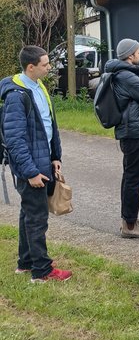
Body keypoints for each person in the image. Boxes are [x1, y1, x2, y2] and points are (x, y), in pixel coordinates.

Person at [0, 46, 71, 282]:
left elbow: (49, 125)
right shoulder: (15, 96)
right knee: (37, 218)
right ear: (31, 67)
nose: (49, 67)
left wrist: (55, 157)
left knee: (28, 215)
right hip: (30, 168)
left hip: (43, 162)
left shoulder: (38, 87)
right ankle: (42, 271)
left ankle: (26, 263)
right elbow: (15, 139)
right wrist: (30, 172)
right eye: (45, 64)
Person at [103, 39, 139, 238]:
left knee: (131, 177)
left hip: (132, 130)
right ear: (129, 56)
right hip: (134, 132)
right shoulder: (127, 76)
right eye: (137, 52)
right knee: (133, 178)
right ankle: (129, 226)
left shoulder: (123, 74)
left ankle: (130, 218)